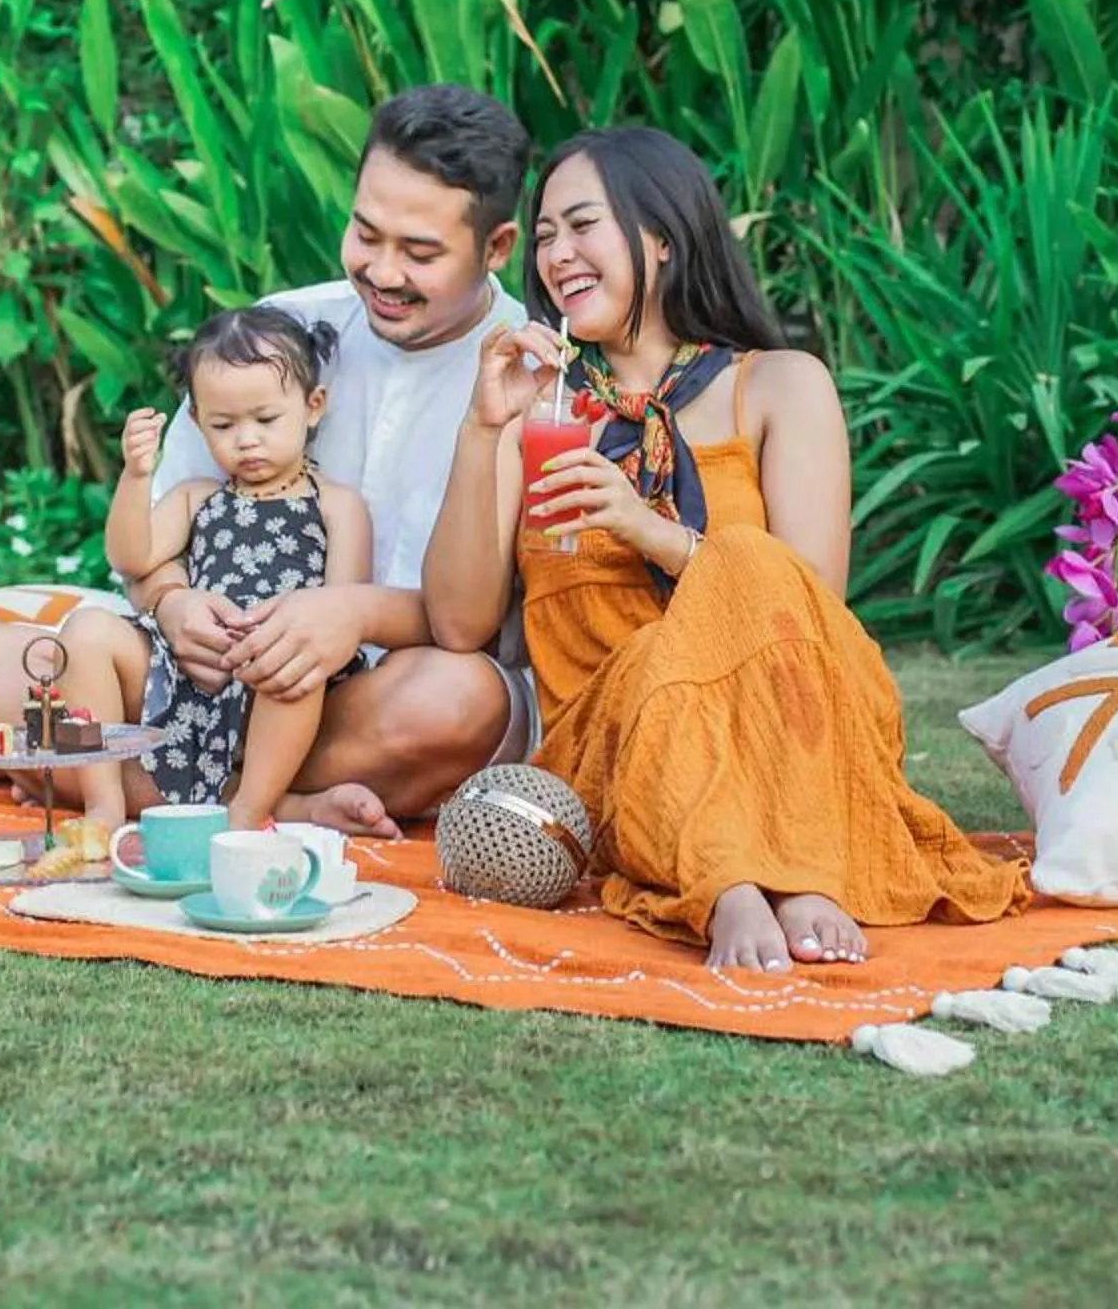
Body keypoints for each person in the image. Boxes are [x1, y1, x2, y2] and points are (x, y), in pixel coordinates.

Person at [421, 126, 1030, 972]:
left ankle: (777, 862)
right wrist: (481, 428)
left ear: (663, 239)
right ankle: (745, 880)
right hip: (618, 745)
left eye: (583, 224)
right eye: (547, 233)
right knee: (648, 666)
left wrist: (655, 534)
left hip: (787, 723)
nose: (557, 253)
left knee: (746, 560)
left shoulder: (780, 385)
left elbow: (807, 604)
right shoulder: (542, 412)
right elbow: (457, 623)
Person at [0, 84, 541, 836]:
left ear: (497, 249)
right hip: (199, 677)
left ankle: (129, 790)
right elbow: (158, 542)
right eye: (366, 234)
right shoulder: (280, 332)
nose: (383, 273)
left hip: (364, 696)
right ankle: (266, 806)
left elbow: (468, 628)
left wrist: (348, 614)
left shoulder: (526, 373)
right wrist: (173, 603)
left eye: (420, 253)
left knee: (461, 700)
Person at [46, 308, 371, 838]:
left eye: (266, 421)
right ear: (197, 423)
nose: (246, 440)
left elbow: (340, 611)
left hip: (280, 676)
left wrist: (281, 636)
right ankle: (101, 803)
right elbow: (131, 559)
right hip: (188, 667)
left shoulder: (336, 505)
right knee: (83, 631)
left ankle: (248, 811)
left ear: (313, 407)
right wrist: (135, 476)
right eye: (223, 425)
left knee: (297, 657)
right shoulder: (198, 498)